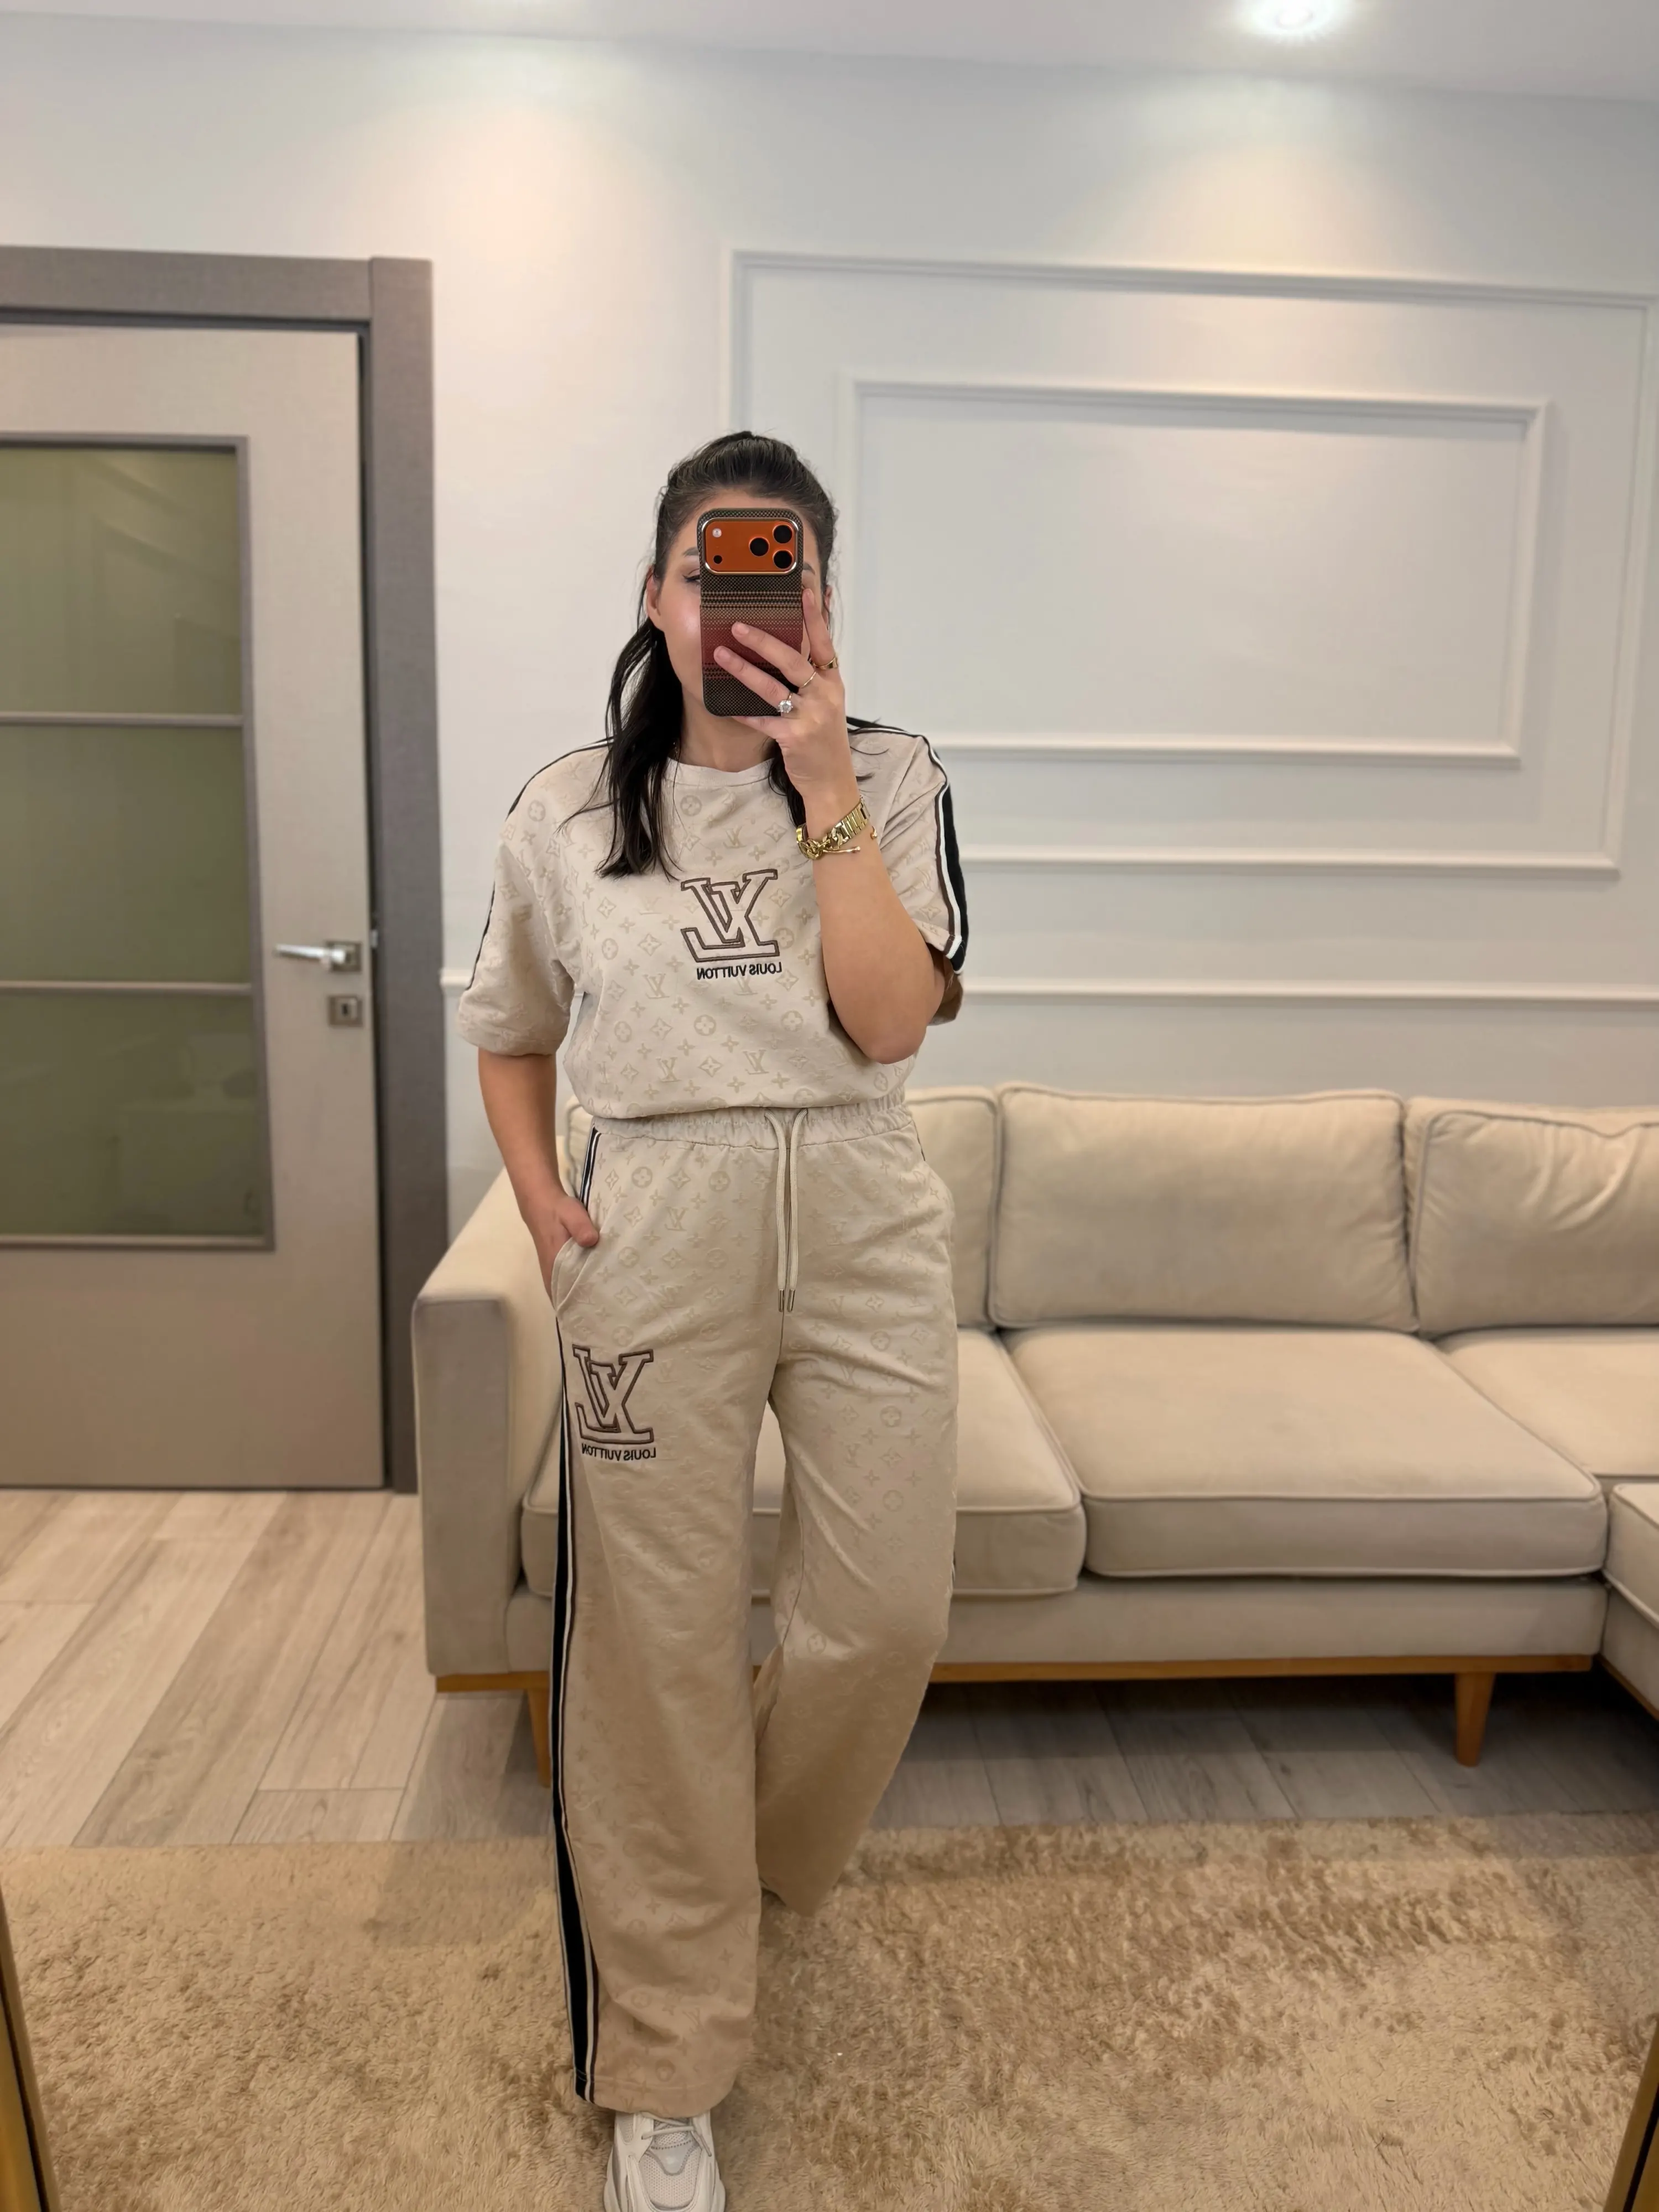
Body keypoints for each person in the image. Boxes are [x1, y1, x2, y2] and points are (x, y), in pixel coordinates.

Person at [454, 430, 968, 2212]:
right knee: (655, 1642)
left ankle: (728, 1871)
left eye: (784, 568)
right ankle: (666, 2064)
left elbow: (888, 1022)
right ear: (656, 596)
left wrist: (822, 783)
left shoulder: (892, 773)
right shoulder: (564, 812)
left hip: (861, 1202)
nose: (747, 597)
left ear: (822, 598)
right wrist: (540, 1195)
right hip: (656, 1220)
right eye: (713, 566)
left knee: (887, 1612)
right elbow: (509, 1029)